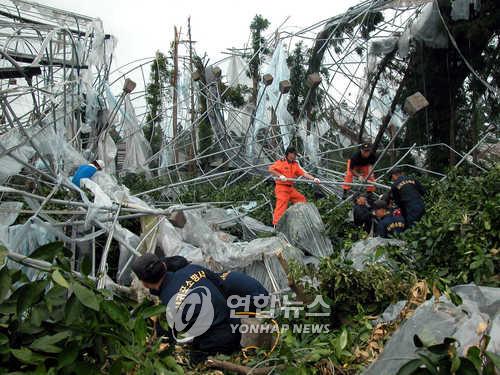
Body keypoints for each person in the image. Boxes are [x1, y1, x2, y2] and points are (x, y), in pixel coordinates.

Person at [131, 254, 241, 364]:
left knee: (195, 360)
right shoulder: (194, 269)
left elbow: (166, 341)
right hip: (236, 323)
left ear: (144, 283)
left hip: (217, 342)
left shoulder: (165, 306)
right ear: (164, 266)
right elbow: (221, 284)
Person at [268, 146, 320, 225]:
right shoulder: (281, 162)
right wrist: (280, 176)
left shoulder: (295, 164)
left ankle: (301, 219)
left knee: (301, 199)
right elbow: (271, 169)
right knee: (281, 207)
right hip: (282, 188)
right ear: (289, 154)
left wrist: (313, 179)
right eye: (294, 154)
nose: (295, 156)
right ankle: (276, 225)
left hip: (290, 189)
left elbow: (303, 173)